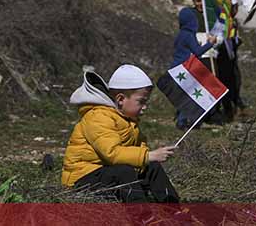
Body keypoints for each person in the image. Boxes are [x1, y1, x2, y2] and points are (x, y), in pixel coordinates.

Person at [62, 65, 179, 202]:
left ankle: (174, 209)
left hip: (108, 172)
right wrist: (148, 156)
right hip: (82, 178)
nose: (145, 107)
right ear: (121, 99)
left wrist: (147, 159)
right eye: (141, 102)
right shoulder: (98, 117)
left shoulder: (127, 119)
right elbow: (112, 154)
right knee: (124, 172)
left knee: (151, 167)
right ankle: (143, 217)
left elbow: (138, 146)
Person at [172, 0, 217, 129]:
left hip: (177, 67)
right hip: (187, 68)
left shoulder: (181, 34)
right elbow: (197, 52)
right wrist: (210, 44)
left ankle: (184, 120)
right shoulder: (189, 35)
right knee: (191, 95)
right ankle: (186, 121)